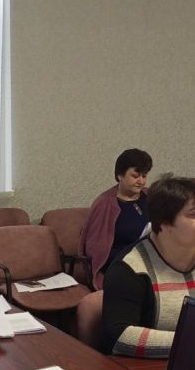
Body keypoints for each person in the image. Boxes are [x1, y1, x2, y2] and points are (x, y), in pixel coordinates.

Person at [102, 174, 195, 357]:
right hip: (148, 367)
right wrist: (187, 342)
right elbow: (119, 336)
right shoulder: (129, 269)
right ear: (164, 222)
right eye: (193, 214)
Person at [79, 148, 153, 289]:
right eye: (135, 176)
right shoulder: (105, 203)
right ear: (120, 175)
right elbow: (95, 249)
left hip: (151, 257)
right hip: (121, 263)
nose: (141, 181)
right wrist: (131, 257)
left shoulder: (150, 196)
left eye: (144, 176)